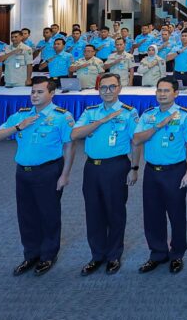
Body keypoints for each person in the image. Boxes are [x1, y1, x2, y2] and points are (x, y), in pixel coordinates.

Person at [0, 77, 76, 276]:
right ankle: (31, 254)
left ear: (51, 94)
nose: (34, 96)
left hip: (48, 171)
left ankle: (48, 256)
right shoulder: (22, 115)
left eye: (40, 92)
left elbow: (70, 146)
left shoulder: (62, 116)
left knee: (48, 214)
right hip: (23, 172)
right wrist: (18, 127)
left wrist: (65, 174)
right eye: (33, 92)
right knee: (26, 216)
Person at [70, 73, 139, 276]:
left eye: (112, 87)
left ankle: (114, 255)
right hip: (92, 168)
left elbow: (136, 142)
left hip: (116, 167)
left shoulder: (129, 112)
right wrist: (101, 121)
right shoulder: (90, 112)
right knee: (93, 212)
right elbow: (75, 134)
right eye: (103, 87)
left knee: (115, 212)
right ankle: (97, 255)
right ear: (98, 90)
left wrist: (134, 168)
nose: (107, 91)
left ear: (119, 88)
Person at [132, 77, 187, 274]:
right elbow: (137, 139)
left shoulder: (185, 115)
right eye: (159, 90)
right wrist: (158, 126)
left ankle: (177, 254)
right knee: (152, 215)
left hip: (175, 171)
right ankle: (158, 253)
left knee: (176, 215)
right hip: (152, 171)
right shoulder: (148, 115)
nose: (162, 94)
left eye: (166, 91)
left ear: (176, 93)